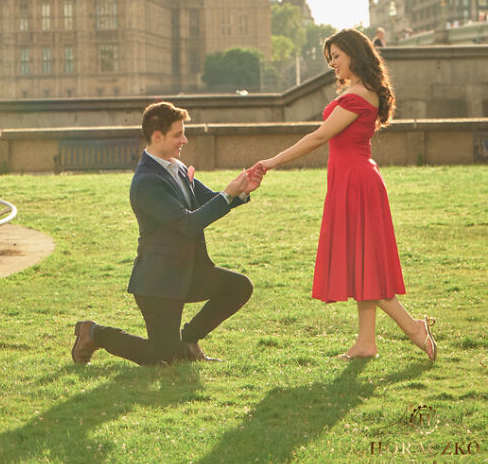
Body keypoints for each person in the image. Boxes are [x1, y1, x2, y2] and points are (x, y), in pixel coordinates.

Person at [252, 29, 437, 362]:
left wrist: (272, 161)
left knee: (363, 265)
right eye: (330, 58)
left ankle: (413, 328)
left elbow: (319, 137)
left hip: (356, 182)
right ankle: (366, 343)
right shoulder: (359, 90)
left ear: (354, 54)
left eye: (336, 56)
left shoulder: (359, 94)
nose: (332, 63)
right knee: (362, 262)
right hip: (353, 179)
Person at [72, 100, 263, 366]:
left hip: (188, 272)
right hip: (158, 283)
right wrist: (229, 194)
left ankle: (189, 339)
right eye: (178, 134)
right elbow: (189, 224)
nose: (184, 140)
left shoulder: (178, 168)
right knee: (163, 357)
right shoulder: (146, 183)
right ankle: (93, 333)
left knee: (239, 286)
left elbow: (209, 201)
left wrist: (243, 190)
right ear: (157, 137)